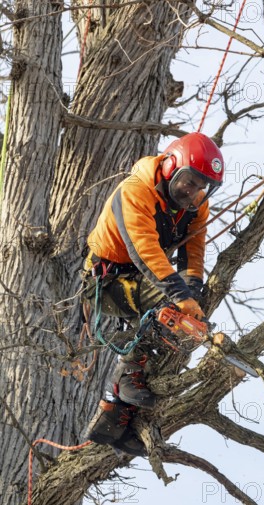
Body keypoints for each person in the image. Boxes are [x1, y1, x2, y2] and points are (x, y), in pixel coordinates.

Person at [83, 132, 224, 455]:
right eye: (189, 182)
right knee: (170, 309)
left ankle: (120, 423)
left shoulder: (194, 207)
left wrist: (192, 293)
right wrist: (178, 296)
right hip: (105, 283)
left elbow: (194, 253)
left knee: (181, 327)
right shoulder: (135, 191)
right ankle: (125, 380)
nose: (193, 193)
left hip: (143, 282)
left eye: (203, 188)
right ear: (170, 166)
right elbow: (144, 250)